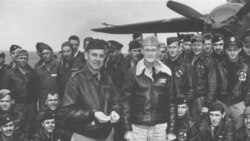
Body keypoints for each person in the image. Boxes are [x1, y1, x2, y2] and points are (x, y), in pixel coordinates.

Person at [60, 39, 120, 141]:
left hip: (107, 135)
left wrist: (115, 111)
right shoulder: (75, 80)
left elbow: (116, 101)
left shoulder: (107, 78)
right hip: (84, 136)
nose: (98, 59)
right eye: (94, 55)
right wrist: (92, 114)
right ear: (86, 56)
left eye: (101, 56)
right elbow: (66, 113)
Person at [122, 36, 177, 141]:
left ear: (158, 51)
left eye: (153, 50)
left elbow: (172, 103)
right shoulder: (133, 73)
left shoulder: (166, 73)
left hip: (160, 127)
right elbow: (125, 102)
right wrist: (127, 128)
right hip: (138, 128)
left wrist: (172, 130)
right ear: (142, 51)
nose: (150, 53)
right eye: (147, 50)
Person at [1, 49, 38, 140]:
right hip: (17, 105)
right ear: (16, 59)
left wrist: (33, 103)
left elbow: (37, 90)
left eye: (25, 58)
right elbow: (5, 91)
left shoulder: (32, 72)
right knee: (17, 127)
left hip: (31, 105)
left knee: (31, 126)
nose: (23, 60)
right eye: (21, 58)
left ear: (28, 59)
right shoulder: (10, 73)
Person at [217, 36, 248, 129]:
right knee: (221, 128)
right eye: (229, 50)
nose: (232, 52)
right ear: (226, 51)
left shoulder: (245, 67)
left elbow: (247, 86)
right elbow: (216, 83)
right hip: (222, 101)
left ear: (239, 50)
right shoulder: (220, 65)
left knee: (239, 128)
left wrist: (245, 103)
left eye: (235, 49)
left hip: (238, 102)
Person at [189, 35, 217, 121]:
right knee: (190, 124)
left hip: (202, 99)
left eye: (198, 45)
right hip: (190, 99)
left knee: (202, 124)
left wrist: (207, 104)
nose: (196, 47)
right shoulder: (188, 59)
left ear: (203, 46)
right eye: (194, 45)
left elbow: (212, 84)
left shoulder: (209, 61)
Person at [35, 44, 59, 111]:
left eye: (47, 53)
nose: (45, 55)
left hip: (56, 101)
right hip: (43, 102)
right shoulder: (38, 69)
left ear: (51, 53)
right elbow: (37, 87)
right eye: (43, 54)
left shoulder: (59, 67)